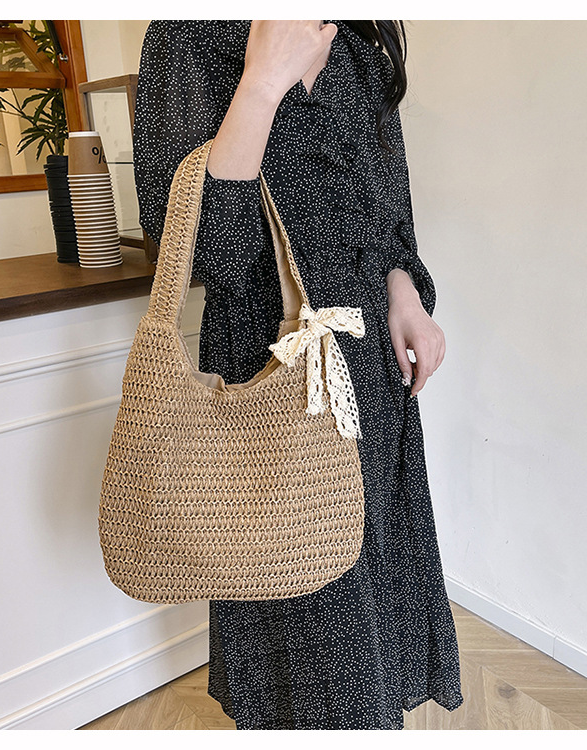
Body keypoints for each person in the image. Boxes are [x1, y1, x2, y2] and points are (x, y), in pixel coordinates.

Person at [133, 19, 463, 730]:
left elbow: (388, 220)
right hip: (268, 373)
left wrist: (406, 293)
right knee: (299, 596)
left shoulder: (358, 45)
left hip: (369, 371)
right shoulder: (188, 35)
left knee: (371, 598)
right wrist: (262, 81)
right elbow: (207, 256)